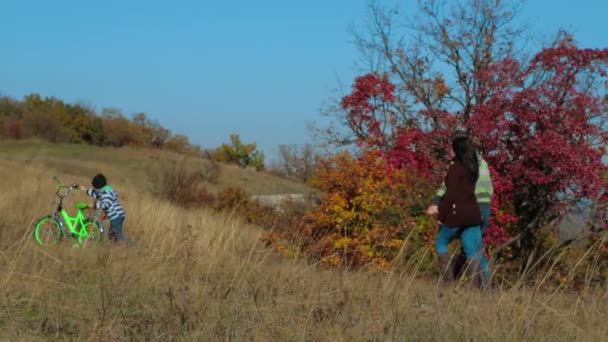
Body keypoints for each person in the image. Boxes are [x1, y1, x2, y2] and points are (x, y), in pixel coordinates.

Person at [434, 132, 494, 287]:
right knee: (472, 249)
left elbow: (450, 190)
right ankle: (476, 287)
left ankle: (453, 282)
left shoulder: (459, 167)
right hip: (479, 210)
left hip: (467, 209)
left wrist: (440, 210)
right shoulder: (478, 164)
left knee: (444, 242)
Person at [79, 173, 128, 243]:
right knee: (111, 235)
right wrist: (85, 190)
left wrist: (94, 205)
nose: (96, 190)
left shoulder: (107, 193)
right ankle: (116, 246)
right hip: (116, 216)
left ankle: (132, 246)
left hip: (116, 216)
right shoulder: (103, 191)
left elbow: (105, 204)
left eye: (96, 188)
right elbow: (96, 194)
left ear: (99, 187)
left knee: (119, 236)